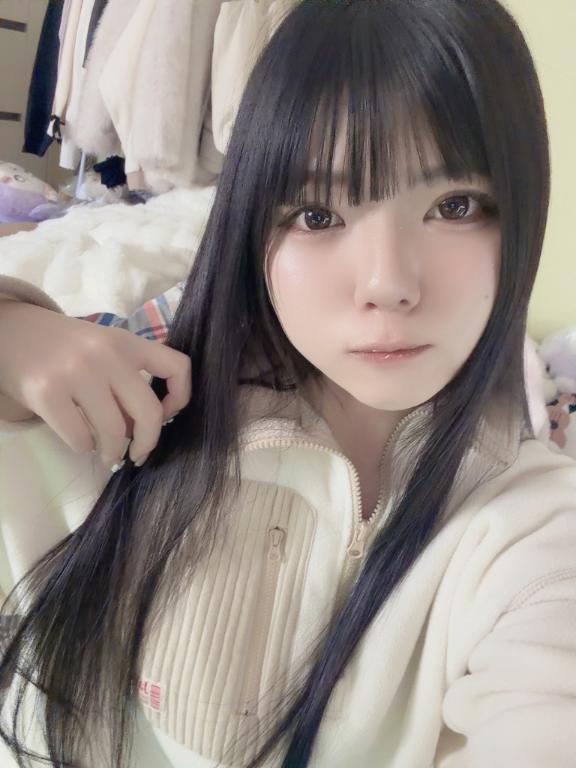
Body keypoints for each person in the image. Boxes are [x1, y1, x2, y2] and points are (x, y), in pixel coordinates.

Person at [1, 1, 575, 766]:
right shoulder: (141, 396)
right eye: (317, 215)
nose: (388, 283)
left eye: (455, 206)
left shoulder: (536, 528)